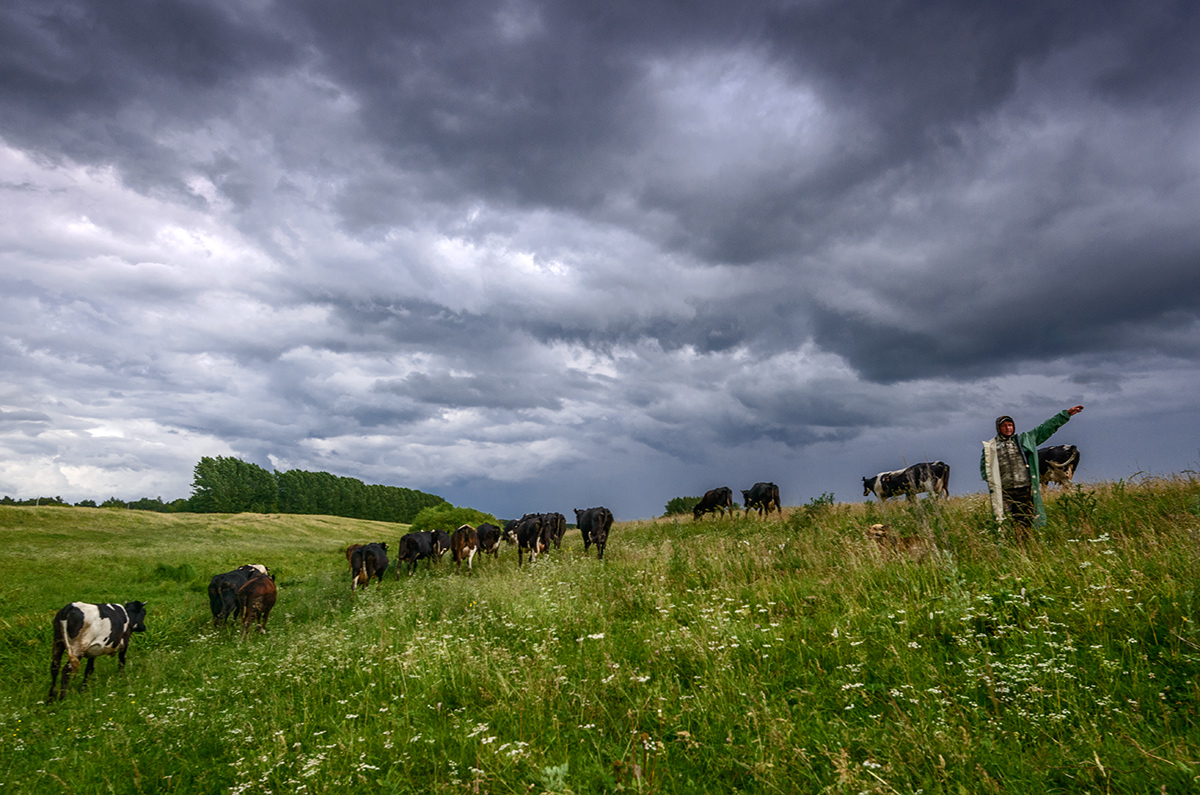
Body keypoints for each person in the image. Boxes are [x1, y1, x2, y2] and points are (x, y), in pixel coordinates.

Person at [980, 405, 1084, 540]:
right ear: (998, 428)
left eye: (1010, 425)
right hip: (1004, 491)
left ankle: (1023, 546)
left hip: (1024, 489)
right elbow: (985, 469)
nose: (1008, 428)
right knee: (1003, 521)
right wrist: (993, 482)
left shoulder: (1024, 440)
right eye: (1004, 426)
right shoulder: (991, 447)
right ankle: (1005, 545)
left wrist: (1065, 415)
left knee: (1025, 520)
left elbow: (1045, 429)